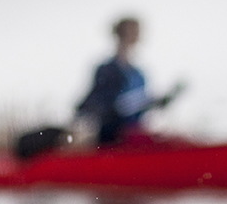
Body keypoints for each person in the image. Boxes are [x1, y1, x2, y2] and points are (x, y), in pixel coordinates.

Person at [76, 17, 182, 145]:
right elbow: (93, 104)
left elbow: (140, 107)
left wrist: (156, 103)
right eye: (132, 31)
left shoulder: (139, 74)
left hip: (133, 135)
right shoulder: (106, 70)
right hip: (109, 136)